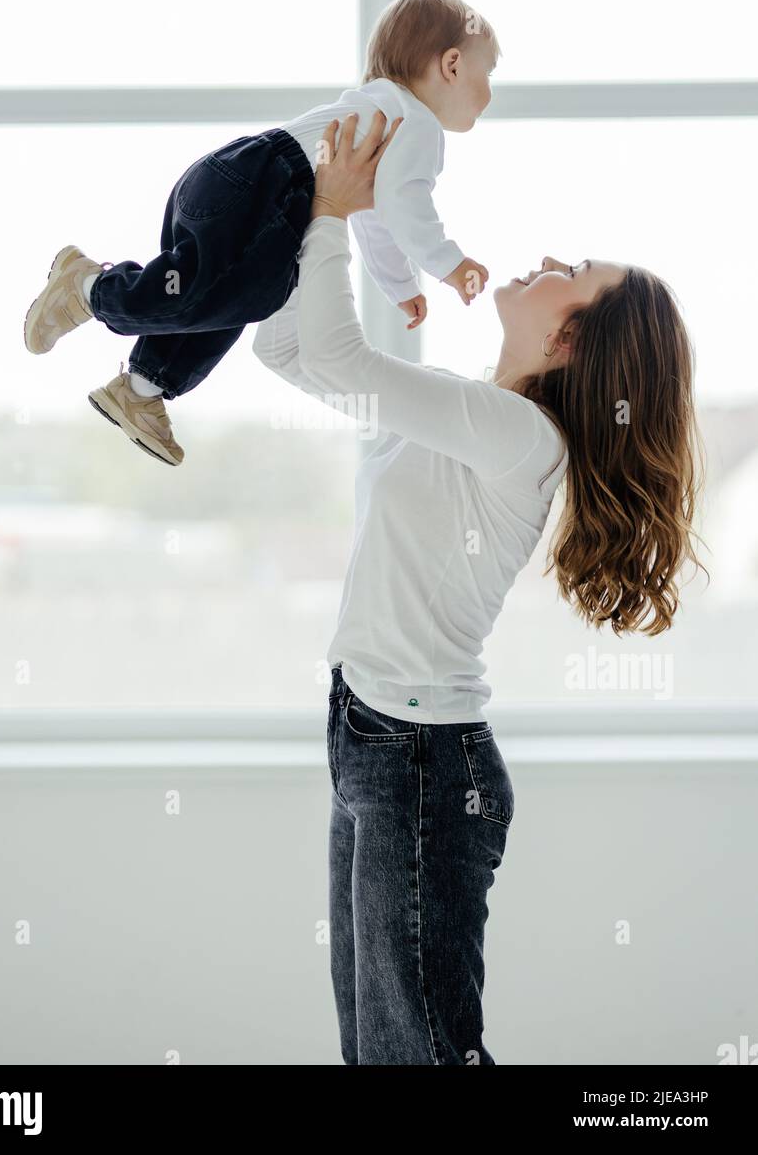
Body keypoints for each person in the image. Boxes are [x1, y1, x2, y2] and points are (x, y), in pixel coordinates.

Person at [253, 111, 707, 1065]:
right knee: (380, 1051)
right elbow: (290, 356)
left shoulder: (514, 437)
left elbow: (336, 358)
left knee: (418, 1053)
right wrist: (295, 220)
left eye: (570, 270)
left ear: (575, 340)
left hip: (420, 762)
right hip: (368, 731)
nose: (546, 260)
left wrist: (334, 210)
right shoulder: (473, 408)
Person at [22, 0, 496, 465]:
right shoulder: (416, 124)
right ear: (452, 65)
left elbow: (371, 214)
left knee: (229, 300)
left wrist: (399, 284)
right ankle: (88, 288)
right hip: (264, 188)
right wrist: (449, 265)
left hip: (245, 180)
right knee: (202, 293)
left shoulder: (380, 108)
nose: (490, 93)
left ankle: (143, 388)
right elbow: (403, 203)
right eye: (488, 73)